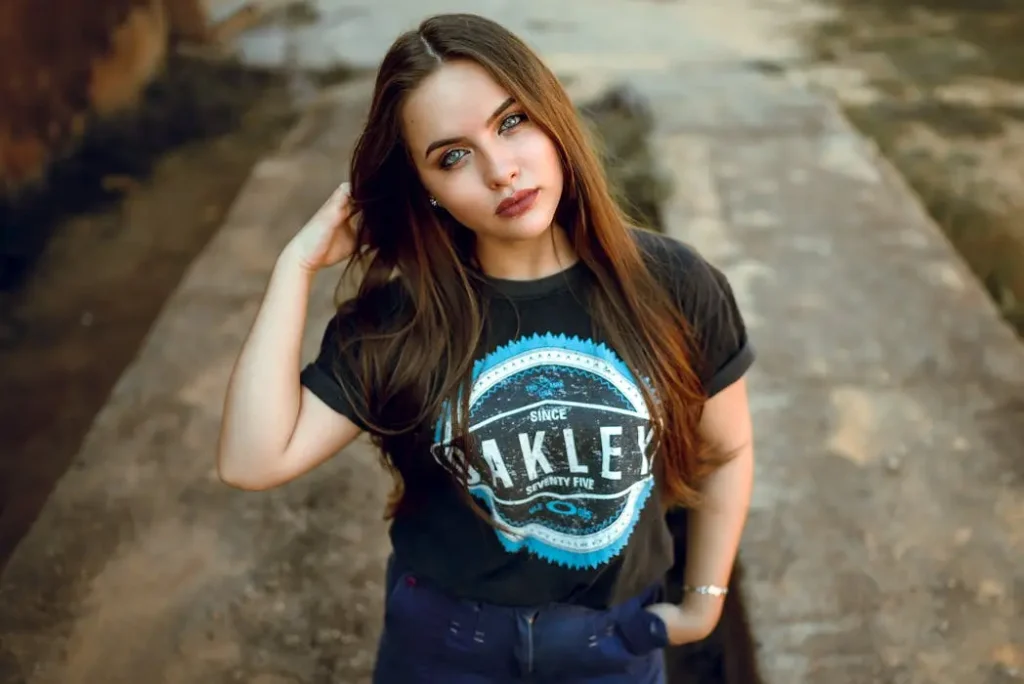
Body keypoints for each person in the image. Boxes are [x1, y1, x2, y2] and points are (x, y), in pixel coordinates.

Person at [217, 12, 755, 684]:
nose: (501, 171)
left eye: (512, 122)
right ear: (427, 190)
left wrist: (704, 603)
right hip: (444, 647)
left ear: (553, 116)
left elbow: (726, 451)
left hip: (609, 644)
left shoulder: (672, 283)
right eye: (453, 156)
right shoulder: (402, 321)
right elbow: (252, 460)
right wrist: (295, 265)